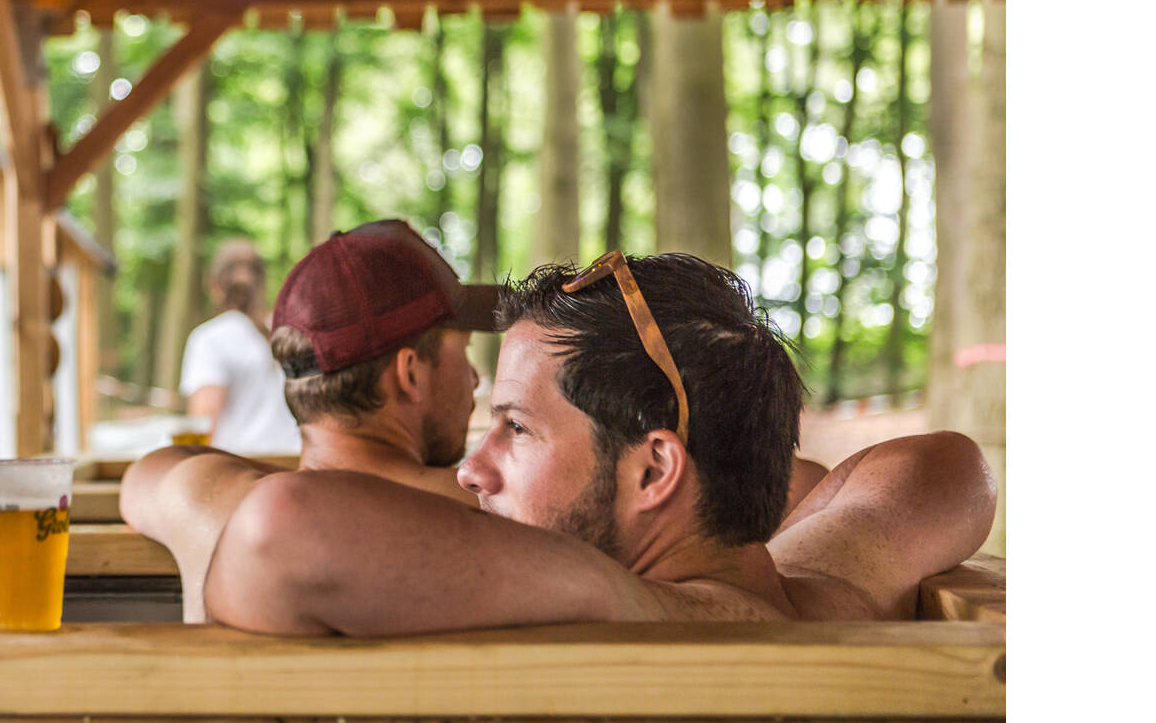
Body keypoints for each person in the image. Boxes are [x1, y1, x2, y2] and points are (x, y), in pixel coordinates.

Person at [200, 252, 998, 634]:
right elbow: (945, 464)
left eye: (516, 428)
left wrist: (624, 600)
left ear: (654, 470)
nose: (472, 470)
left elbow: (281, 529)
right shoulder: (833, 588)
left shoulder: (611, 621)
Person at [124, 220, 502, 620]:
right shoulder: (500, 508)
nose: (474, 378)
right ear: (410, 373)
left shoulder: (200, 496)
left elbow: (147, 473)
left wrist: (326, 475)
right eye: (464, 351)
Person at [176, 239, 300, 456]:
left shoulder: (208, 339)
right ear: (263, 284)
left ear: (214, 284)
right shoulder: (291, 334)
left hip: (241, 467)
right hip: (295, 463)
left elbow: (204, 426)